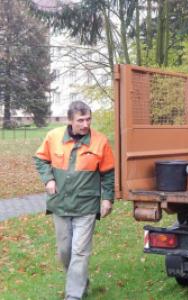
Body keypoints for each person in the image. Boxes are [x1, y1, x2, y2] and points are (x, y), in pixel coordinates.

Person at [34, 101, 115, 300]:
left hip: (86, 205)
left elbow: (108, 174)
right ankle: (81, 280)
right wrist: (49, 179)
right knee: (64, 251)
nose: (86, 124)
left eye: (88, 119)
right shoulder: (53, 137)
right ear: (70, 120)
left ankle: (73, 295)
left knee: (80, 251)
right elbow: (40, 159)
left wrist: (107, 199)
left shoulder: (100, 141)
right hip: (60, 204)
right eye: (81, 120)